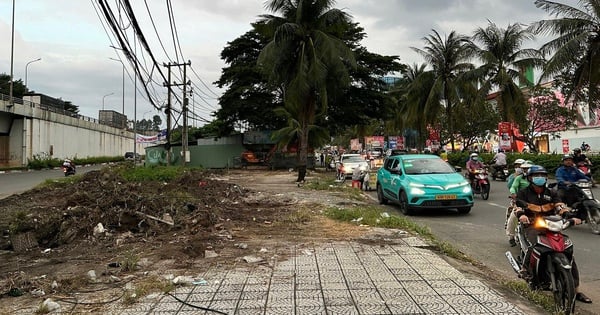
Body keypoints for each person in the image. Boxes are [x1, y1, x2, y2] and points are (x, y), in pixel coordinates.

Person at [514, 165, 591, 304]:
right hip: (532, 225)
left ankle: (576, 289)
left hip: (551, 225)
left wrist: (569, 215)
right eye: (536, 176)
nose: (540, 178)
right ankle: (525, 270)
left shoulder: (551, 192)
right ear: (530, 178)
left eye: (542, 175)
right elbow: (517, 206)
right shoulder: (523, 193)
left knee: (568, 252)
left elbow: (559, 206)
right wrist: (521, 215)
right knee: (534, 246)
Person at [506, 161, 532, 246]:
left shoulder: (537, 179)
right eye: (524, 169)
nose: (526, 170)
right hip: (521, 201)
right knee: (514, 217)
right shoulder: (519, 178)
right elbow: (513, 187)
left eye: (528, 168)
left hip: (535, 203)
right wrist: (513, 193)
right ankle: (511, 237)